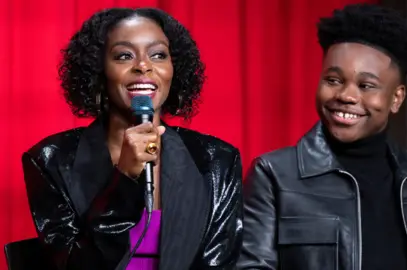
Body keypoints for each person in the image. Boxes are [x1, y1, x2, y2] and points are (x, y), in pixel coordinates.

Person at [237, 3, 407, 270]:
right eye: (333, 80)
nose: (346, 96)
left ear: (396, 98)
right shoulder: (274, 175)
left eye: (366, 86)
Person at [22, 7, 243, 270]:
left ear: (175, 68)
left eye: (158, 54)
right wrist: (123, 179)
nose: (143, 66)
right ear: (99, 69)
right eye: (124, 55)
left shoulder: (217, 161)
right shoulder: (51, 160)